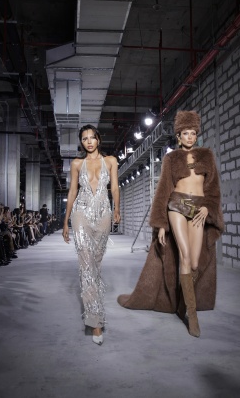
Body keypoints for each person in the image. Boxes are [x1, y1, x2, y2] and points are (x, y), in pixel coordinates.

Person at [117, 110, 224, 338]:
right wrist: (161, 225)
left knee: (194, 262)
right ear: (178, 135)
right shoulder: (171, 158)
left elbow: (213, 189)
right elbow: (163, 190)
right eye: (185, 133)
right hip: (177, 205)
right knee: (184, 255)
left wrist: (208, 208)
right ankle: (192, 316)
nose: (189, 137)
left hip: (199, 208)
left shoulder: (206, 156)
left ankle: (183, 304)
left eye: (193, 133)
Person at [63, 124, 120, 345]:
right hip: (81, 213)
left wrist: (117, 208)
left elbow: (114, 188)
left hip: (104, 213)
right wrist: (66, 221)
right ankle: (95, 321)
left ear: (98, 139)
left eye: (92, 137)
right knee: (86, 266)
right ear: (81, 142)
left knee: (95, 263)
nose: (89, 141)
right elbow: (72, 191)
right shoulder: (77, 164)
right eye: (84, 138)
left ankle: (94, 303)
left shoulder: (111, 161)